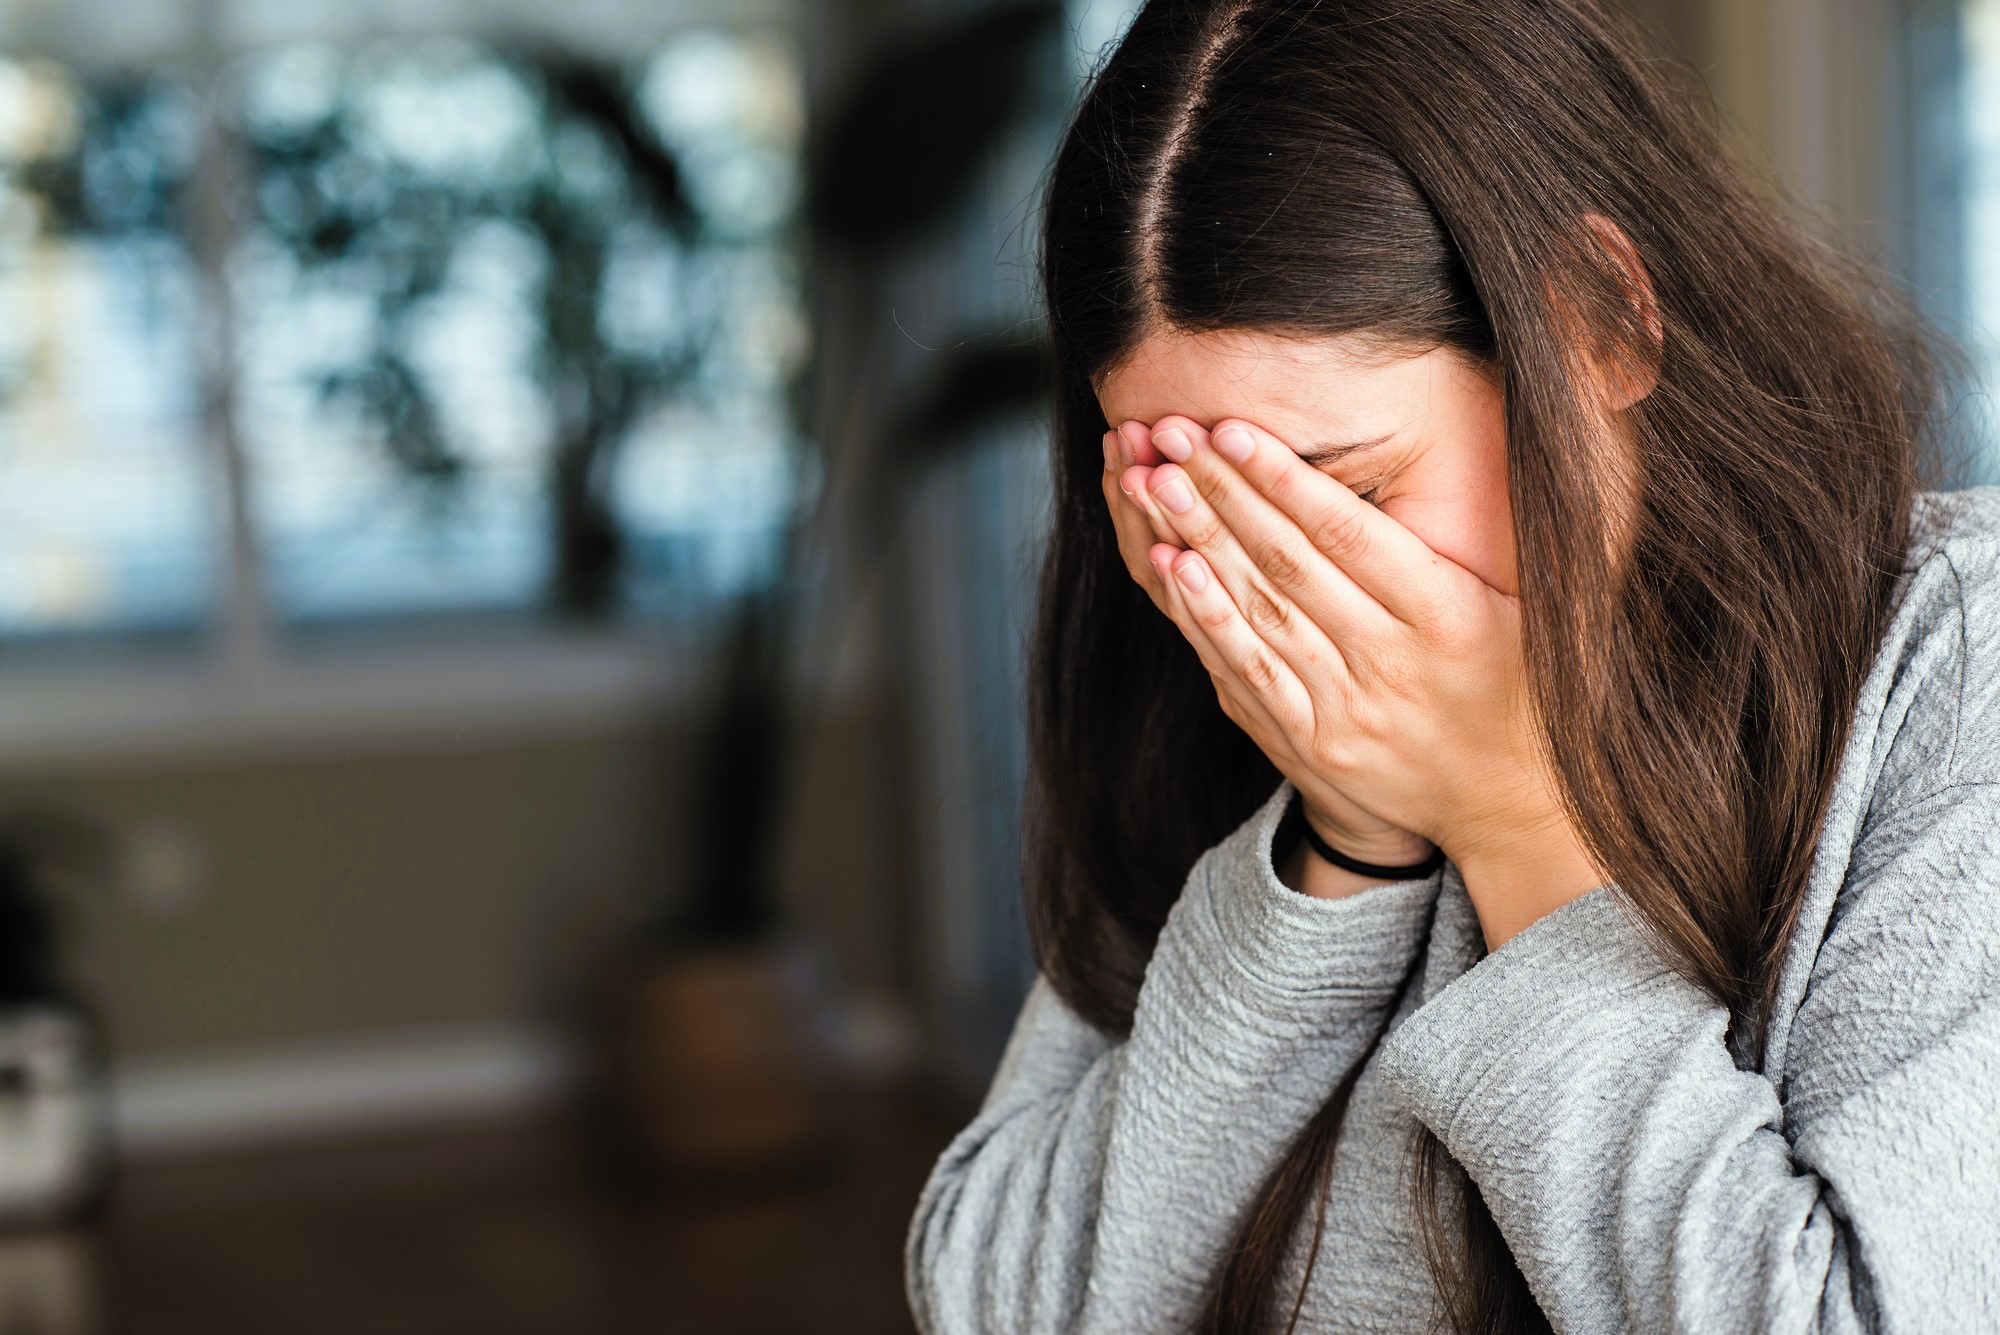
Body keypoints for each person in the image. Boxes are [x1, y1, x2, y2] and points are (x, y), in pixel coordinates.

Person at [903, 0, 2000, 1332]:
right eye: (1194, 507)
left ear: (1603, 320)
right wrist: (1343, 845)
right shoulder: (1229, 698)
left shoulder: (1954, 664)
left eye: (1346, 490)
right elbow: (999, 1304)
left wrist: (1512, 822)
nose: (1270, 579)